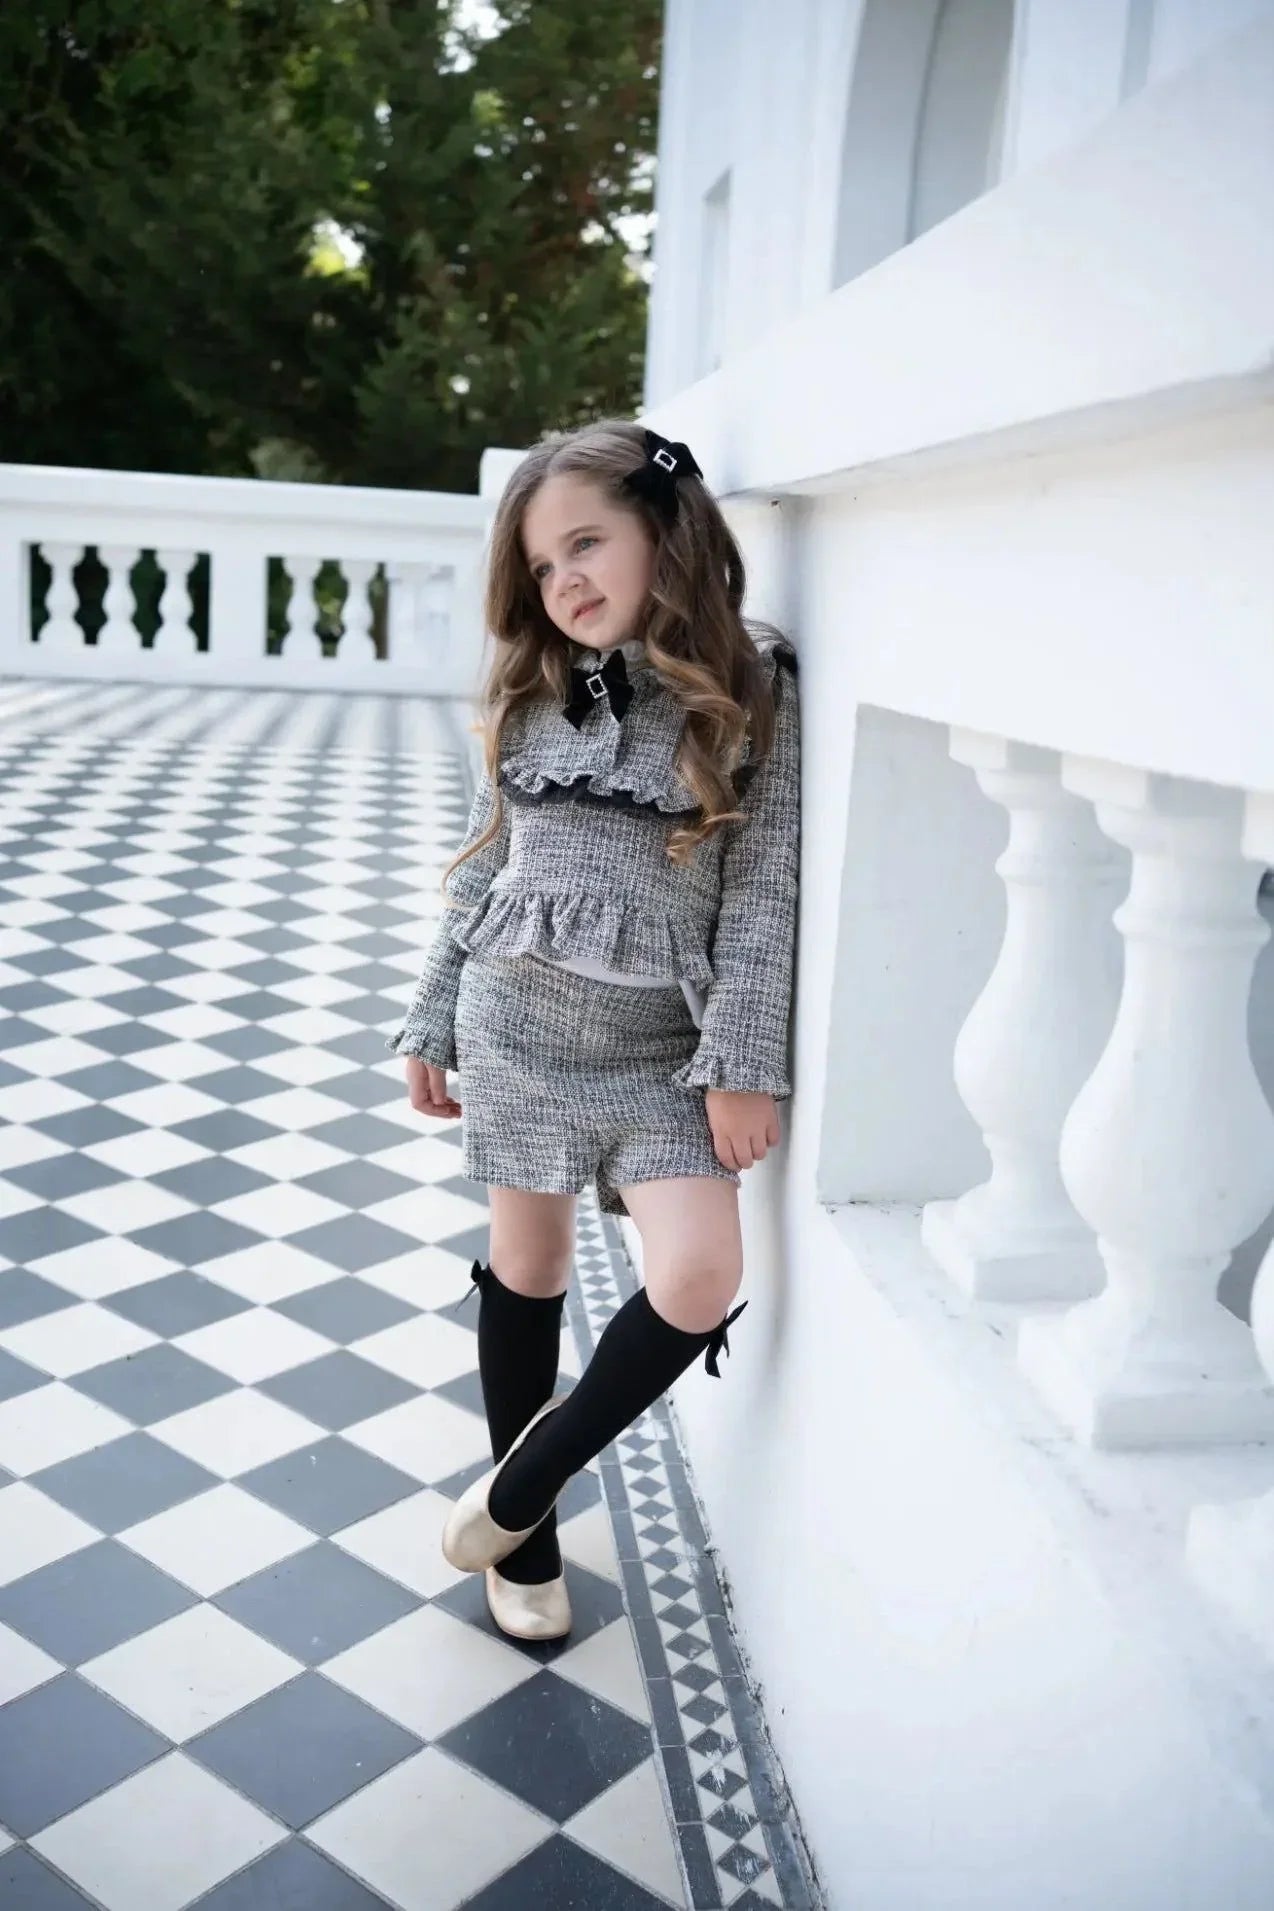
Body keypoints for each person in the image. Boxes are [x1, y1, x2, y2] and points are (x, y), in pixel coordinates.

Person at [387, 417, 800, 1642]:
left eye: (587, 543)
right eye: (542, 562)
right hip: (513, 1018)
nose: (565, 579)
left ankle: (518, 1490)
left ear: (663, 534)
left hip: (663, 1054)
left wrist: (742, 1064)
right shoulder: (526, 697)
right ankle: (530, 1556)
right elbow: (483, 867)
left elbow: (764, 889)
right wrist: (430, 1012)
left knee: (698, 1273)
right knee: (529, 1268)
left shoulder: (750, 694)